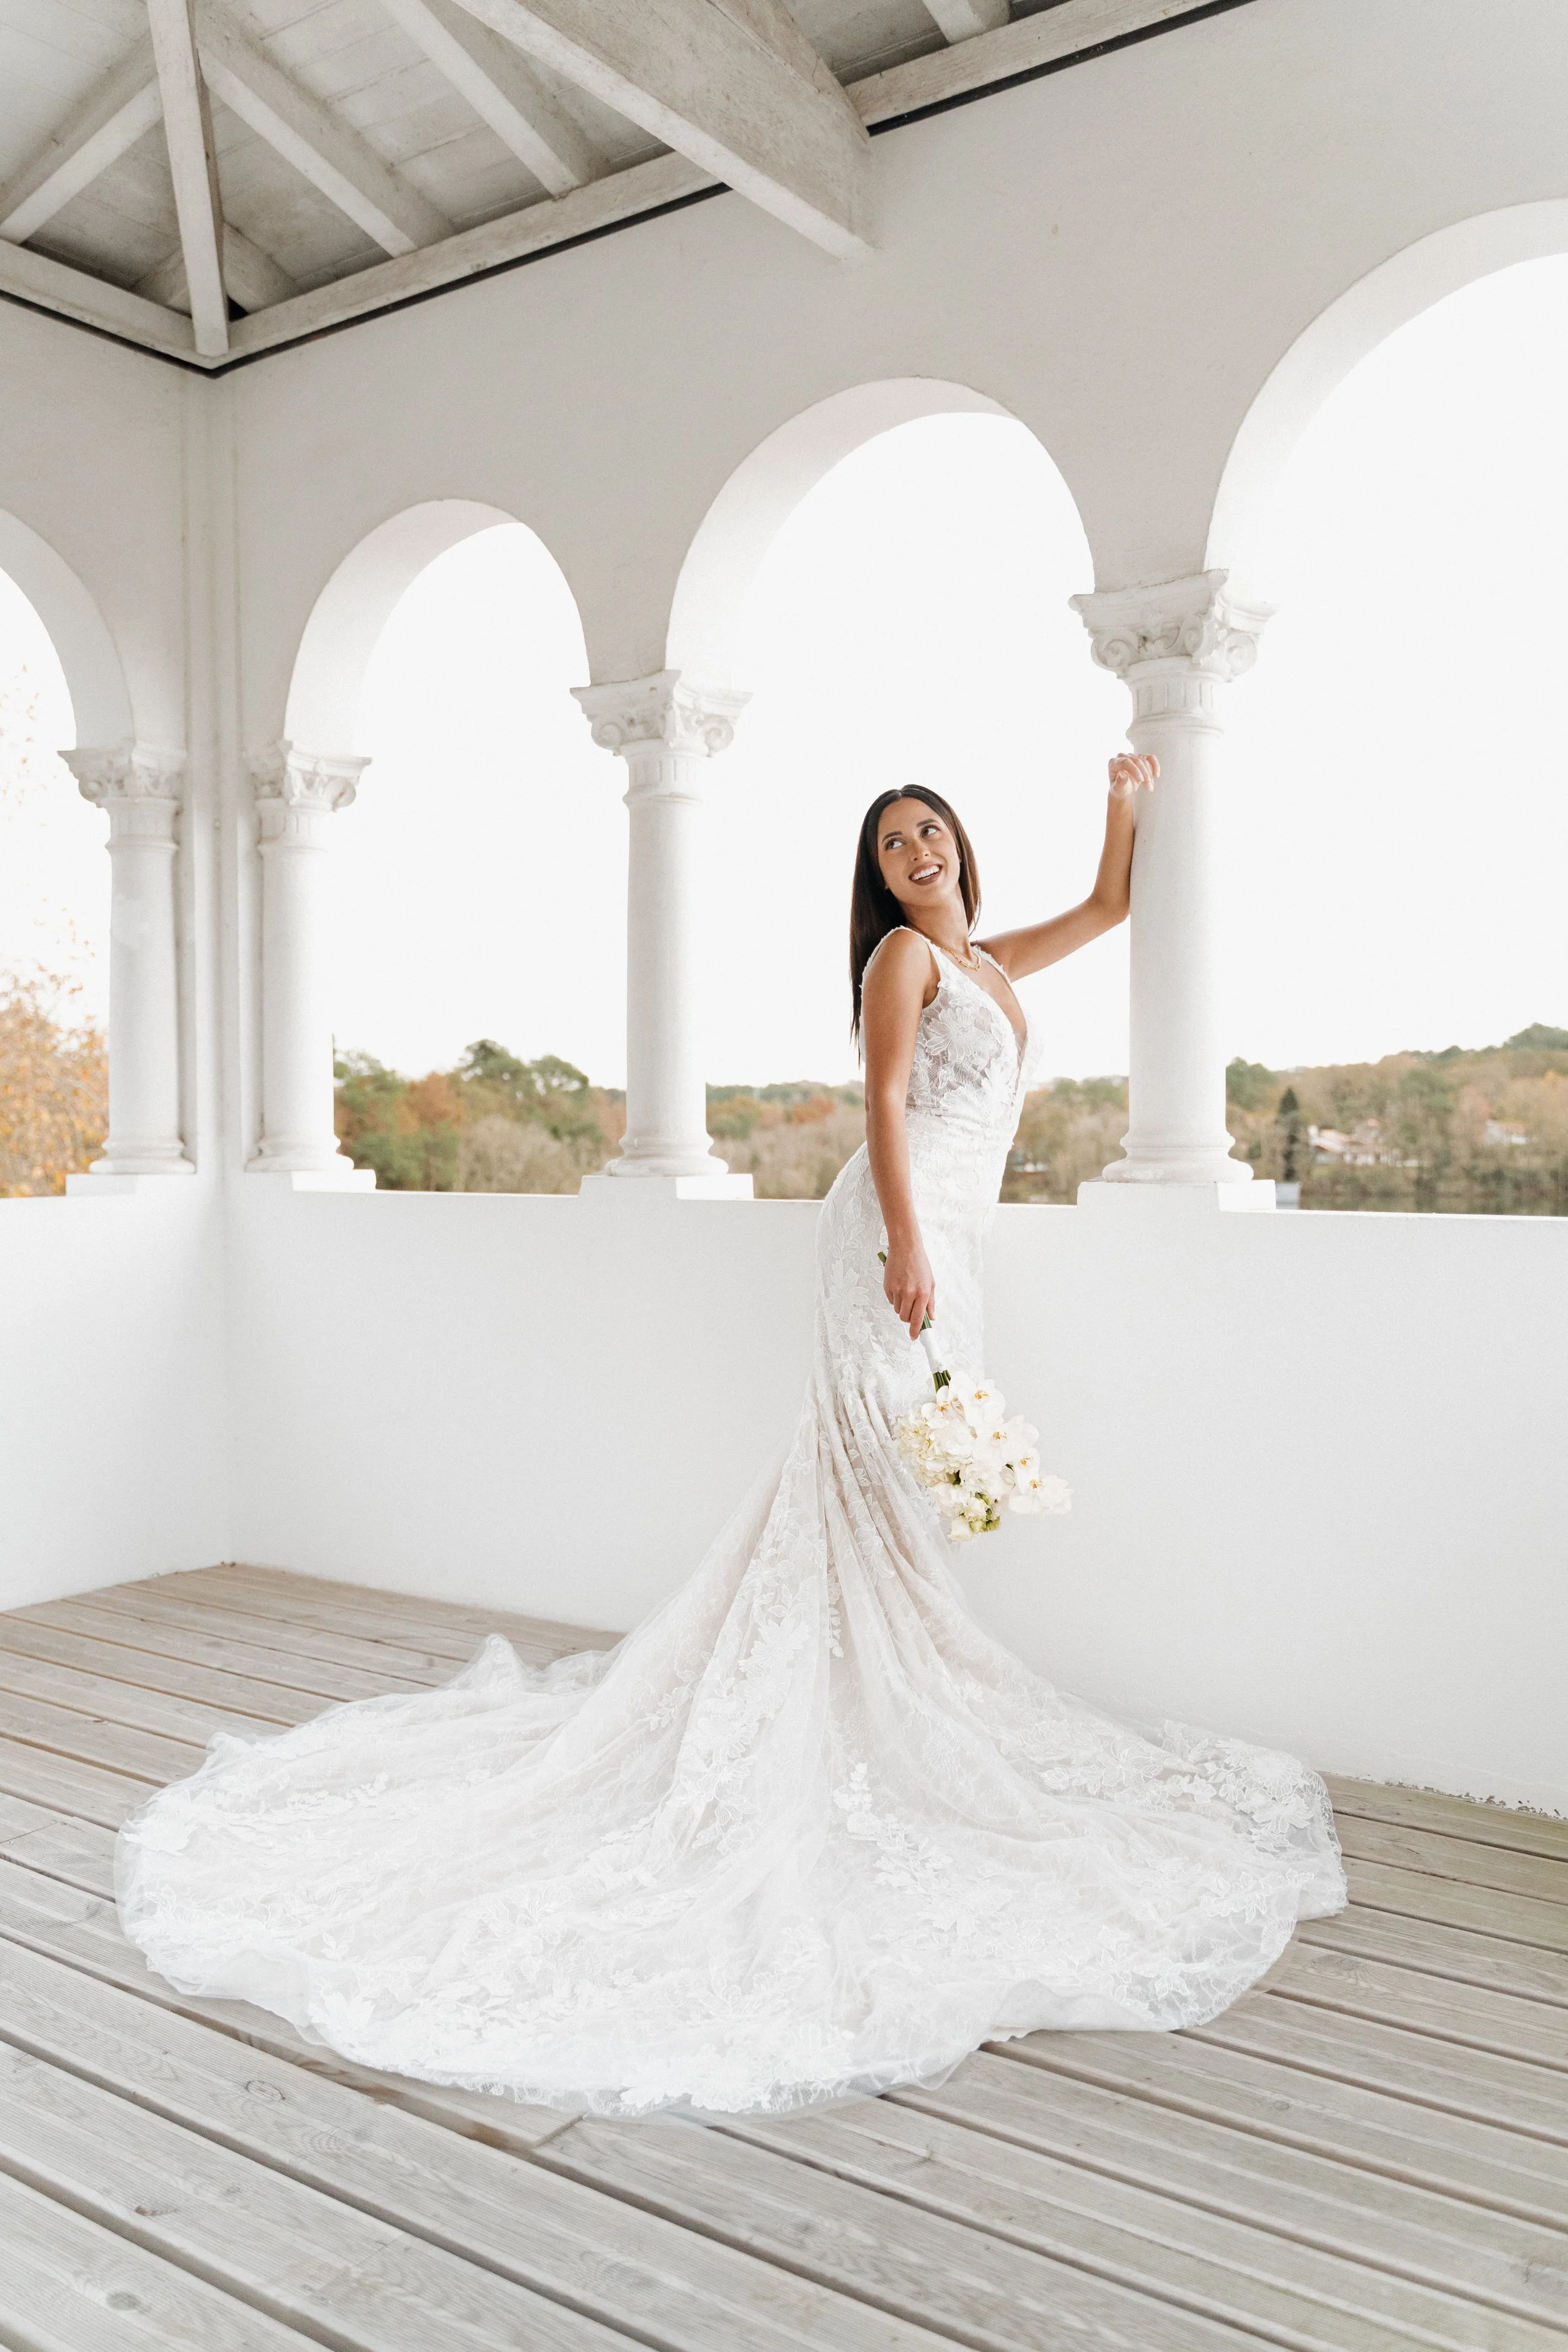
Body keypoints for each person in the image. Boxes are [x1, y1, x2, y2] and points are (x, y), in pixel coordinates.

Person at [117, 758, 1345, 2119]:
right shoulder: (899, 967)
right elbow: (883, 1108)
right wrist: (908, 1252)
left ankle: (887, 1705)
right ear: (874, 876)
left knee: (905, 1491)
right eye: (892, 842)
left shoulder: (985, 966)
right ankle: (869, 1717)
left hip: (952, 1247)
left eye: (929, 831)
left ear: (958, 847)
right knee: (881, 1481)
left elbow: (1112, 905)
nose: (916, 851)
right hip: (895, 1242)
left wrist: (1125, 795)